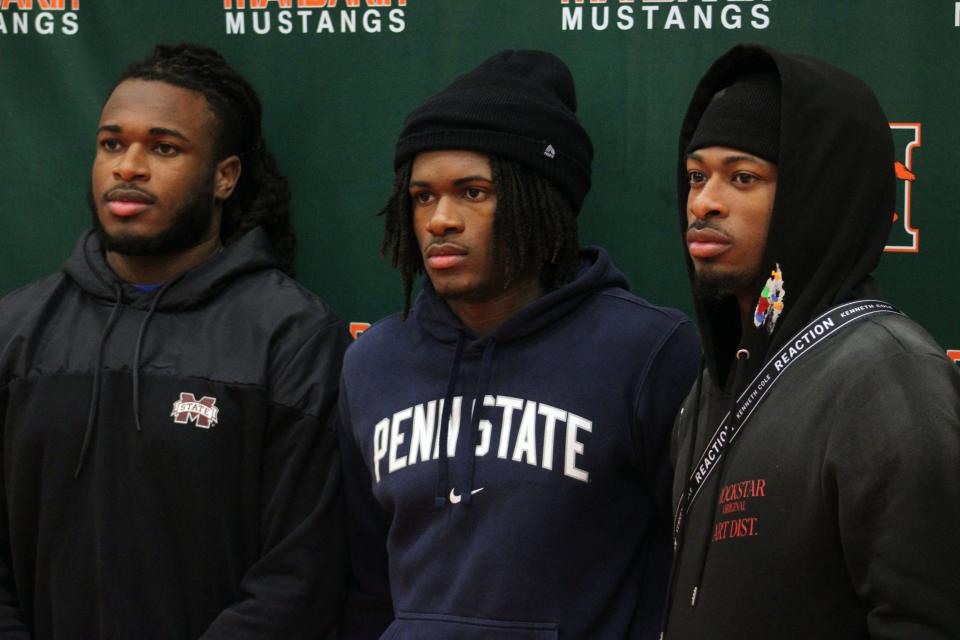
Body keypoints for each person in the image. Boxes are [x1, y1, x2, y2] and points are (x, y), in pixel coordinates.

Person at [337, 49, 701, 639]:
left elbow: (694, 570)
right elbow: (365, 583)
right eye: (423, 196)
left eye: (473, 192)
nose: (440, 220)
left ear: (541, 199)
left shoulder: (647, 352)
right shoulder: (372, 362)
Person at [0, 43, 349, 639]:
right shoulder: (17, 329)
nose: (128, 167)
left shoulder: (291, 335)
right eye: (113, 143)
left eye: (163, 148)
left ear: (225, 177)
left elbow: (301, 572)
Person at [662, 44, 960, 639]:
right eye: (697, 176)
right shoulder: (712, 386)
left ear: (814, 195)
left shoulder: (888, 377)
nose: (703, 202)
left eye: (742, 177)